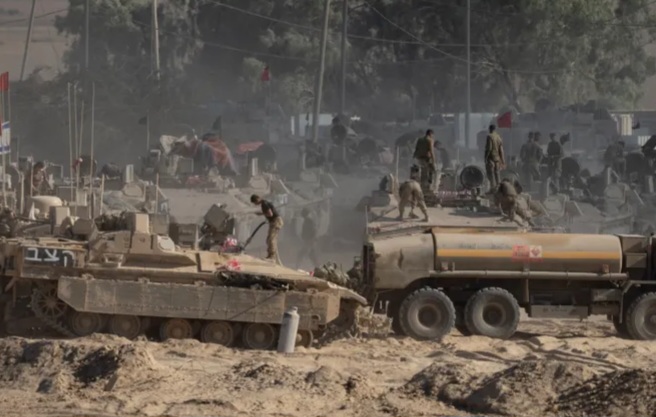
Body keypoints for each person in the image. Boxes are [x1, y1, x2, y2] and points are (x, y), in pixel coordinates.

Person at [251, 194, 283, 264]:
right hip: (274, 221)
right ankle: (271, 256)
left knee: (271, 239)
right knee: (269, 239)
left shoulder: (264, 204)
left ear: (257, 199)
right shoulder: (265, 203)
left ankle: (272, 257)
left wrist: (262, 214)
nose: (255, 204)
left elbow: (270, 214)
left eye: (255, 202)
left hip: (276, 221)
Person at [484, 124, 505, 192]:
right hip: (497, 159)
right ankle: (499, 188)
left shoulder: (489, 136)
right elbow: (501, 150)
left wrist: (486, 158)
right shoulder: (498, 137)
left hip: (491, 158)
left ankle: (493, 188)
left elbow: (489, 148)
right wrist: (503, 160)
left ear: (490, 129)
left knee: (491, 174)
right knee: (497, 173)